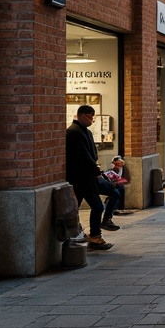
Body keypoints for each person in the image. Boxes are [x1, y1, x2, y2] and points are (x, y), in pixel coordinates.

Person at [65, 105, 113, 250]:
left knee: (76, 207)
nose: (92, 120)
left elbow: (91, 154)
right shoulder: (74, 132)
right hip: (82, 177)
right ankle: (95, 237)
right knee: (97, 206)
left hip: (85, 176)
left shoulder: (84, 131)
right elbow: (84, 156)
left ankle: (77, 233)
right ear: (82, 115)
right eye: (90, 116)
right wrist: (96, 172)